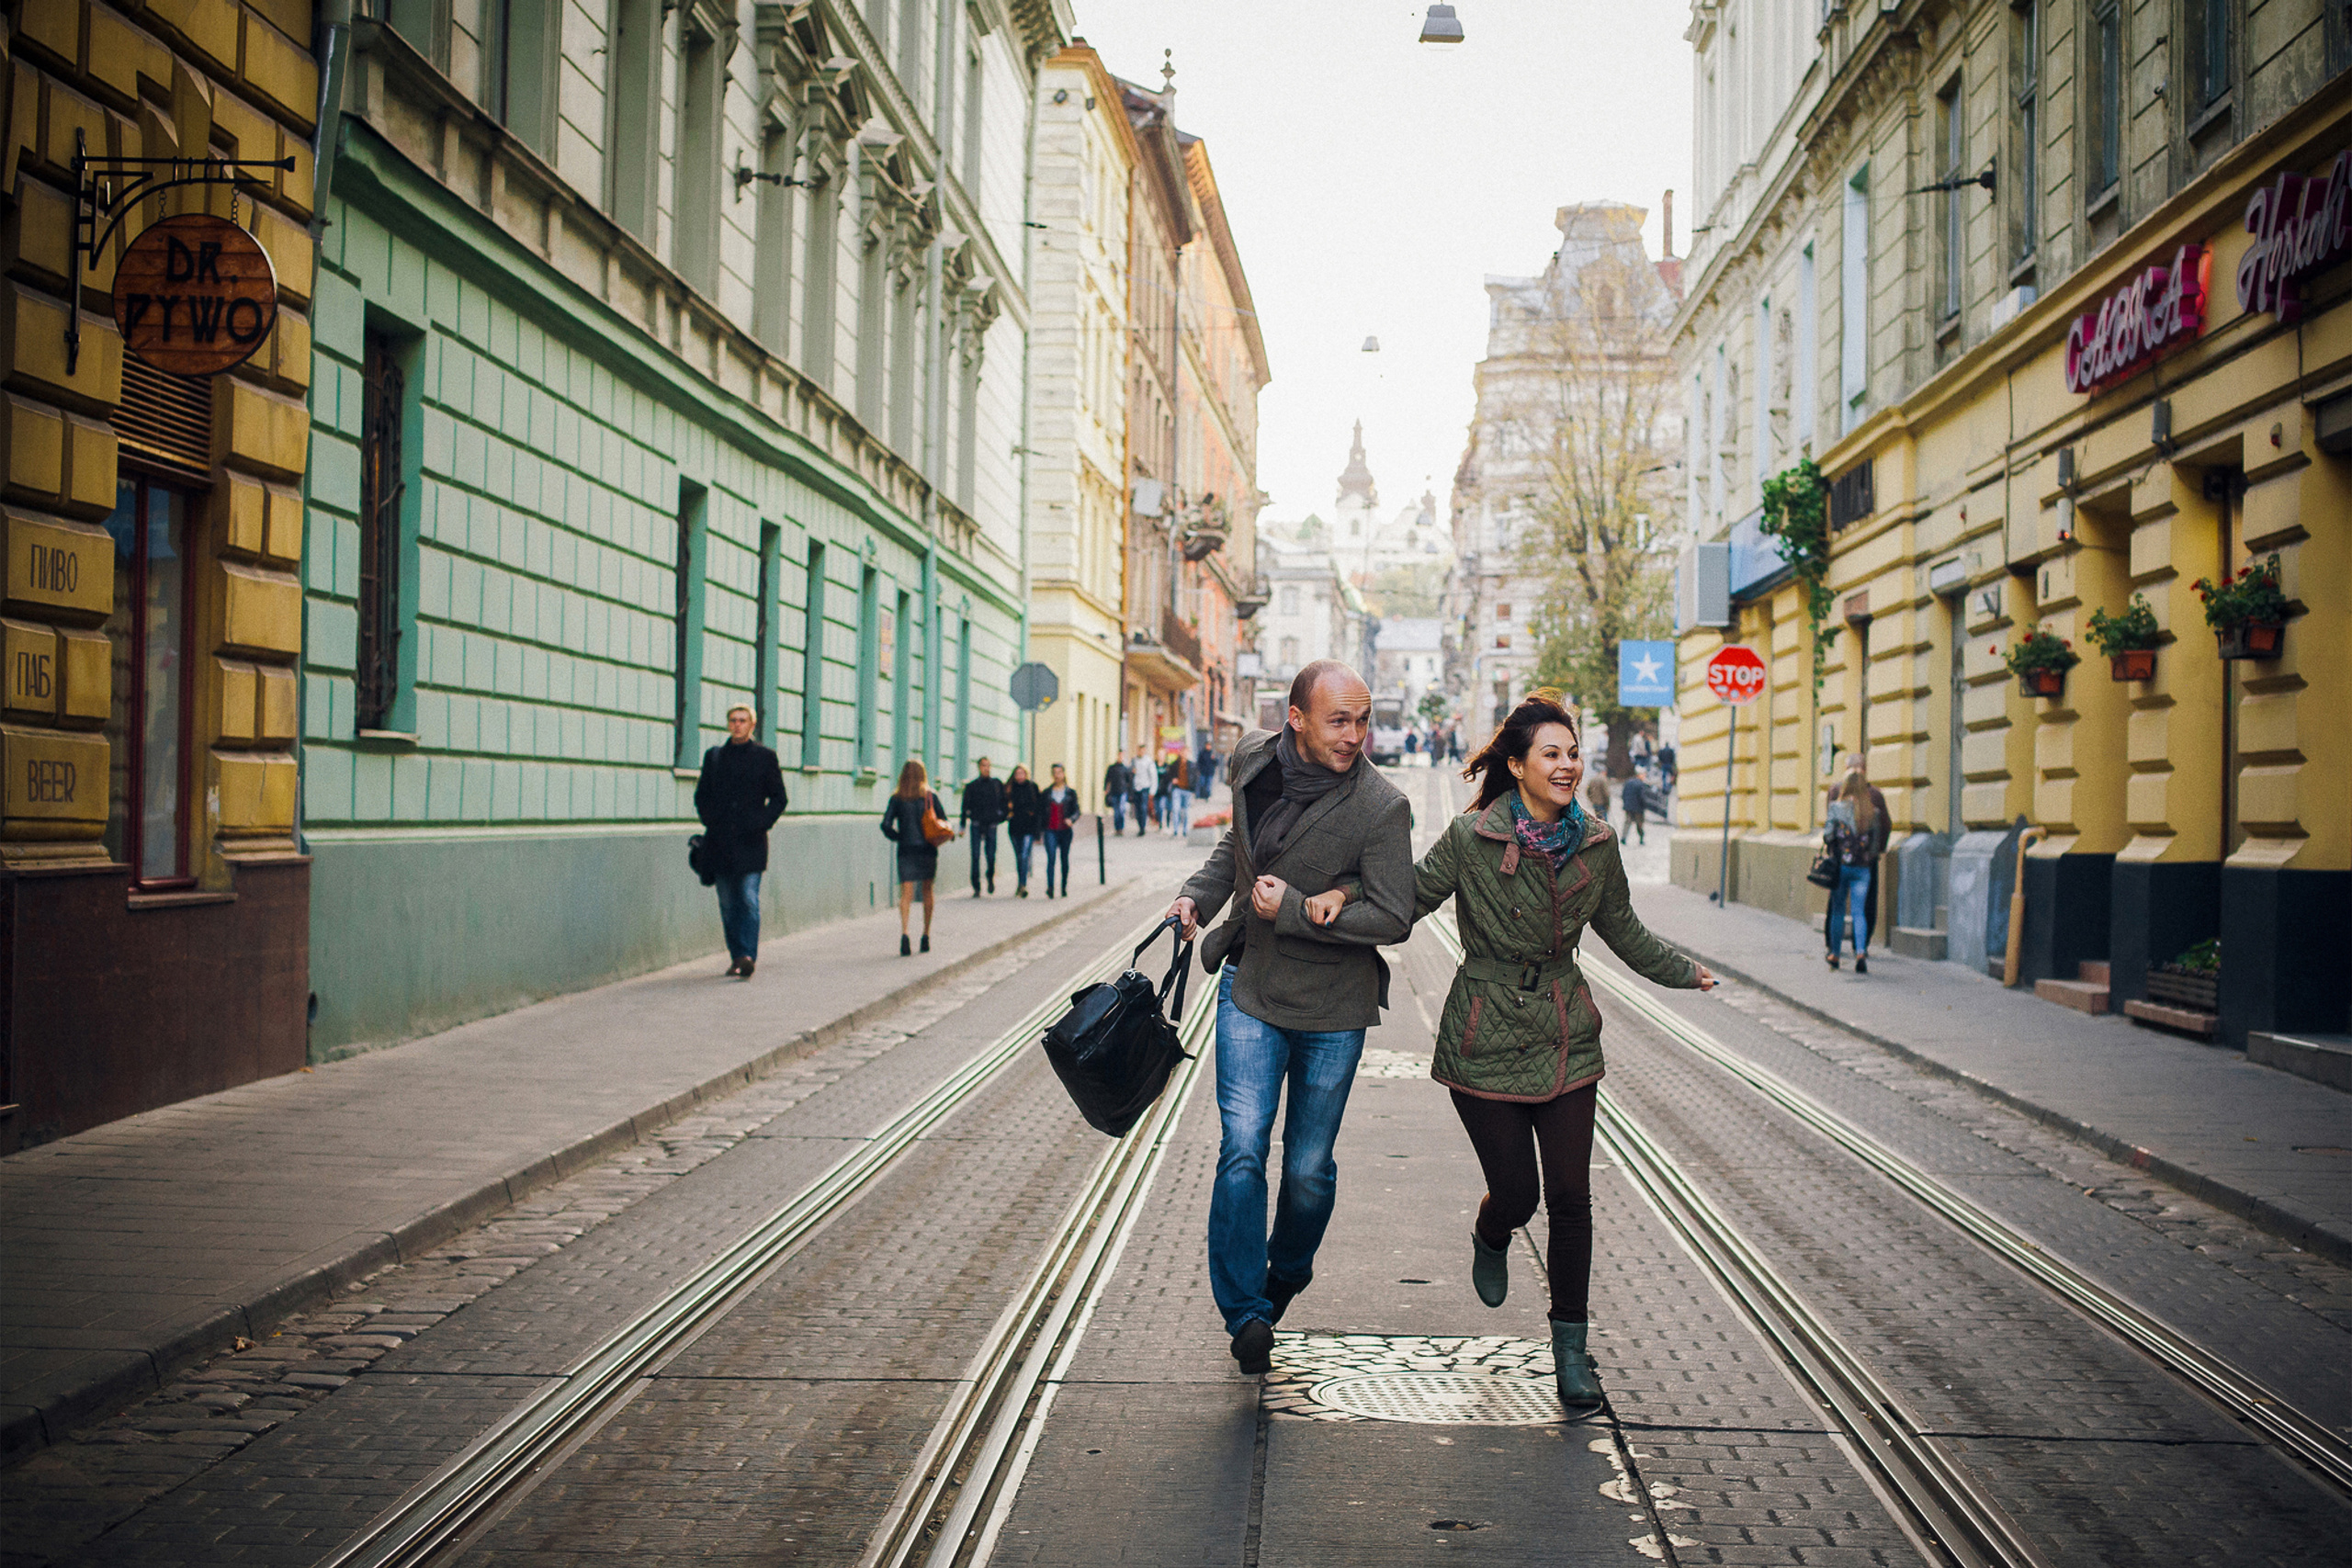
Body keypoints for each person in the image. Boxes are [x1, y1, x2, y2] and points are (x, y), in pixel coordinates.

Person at [1304, 693, 1714, 1413]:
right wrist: (1342, 891)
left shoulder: (1596, 842)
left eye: (1572, 753)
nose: (1567, 765)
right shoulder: (1472, 838)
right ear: (1518, 765)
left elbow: (1627, 932)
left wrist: (1686, 970)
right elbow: (1409, 899)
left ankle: (1570, 1353)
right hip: (1484, 1034)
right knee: (1519, 1194)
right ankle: (1491, 1229)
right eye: (1551, 754)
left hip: (1564, 1034)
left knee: (1571, 1198)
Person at [1168, 659, 1413, 1376]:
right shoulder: (1252, 760)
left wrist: (1302, 909)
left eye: (1363, 720)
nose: (1356, 735)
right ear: (1296, 720)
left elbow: (1394, 914)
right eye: (1340, 720)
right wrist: (1195, 898)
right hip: (1250, 983)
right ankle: (1245, 1310)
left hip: (1333, 1005)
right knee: (1242, 1145)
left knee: (1307, 1169)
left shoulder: (1380, 806)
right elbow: (1236, 850)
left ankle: (1286, 1274)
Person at [693, 704, 788, 979]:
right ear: (728, 724)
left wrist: (761, 821)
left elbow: (779, 798)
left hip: (751, 842)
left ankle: (748, 956)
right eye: (733, 720)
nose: (737, 725)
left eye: (743, 720)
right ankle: (736, 955)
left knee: (747, 898)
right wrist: (710, 819)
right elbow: (702, 795)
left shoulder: (765, 758)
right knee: (726, 902)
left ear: (752, 725)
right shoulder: (715, 757)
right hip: (720, 842)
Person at [880, 760, 951, 955]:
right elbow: (944, 821)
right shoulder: (930, 796)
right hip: (927, 849)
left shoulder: (897, 798)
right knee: (927, 891)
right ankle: (926, 935)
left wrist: (899, 837)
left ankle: (905, 933)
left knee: (906, 894)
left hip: (906, 850)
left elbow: (885, 825)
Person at [1823, 761, 1889, 955]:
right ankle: (1861, 950)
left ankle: (1834, 952)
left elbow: (1828, 835)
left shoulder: (1835, 804)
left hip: (1841, 864)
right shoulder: (1874, 806)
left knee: (1837, 909)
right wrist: (1872, 854)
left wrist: (1833, 847)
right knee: (1860, 911)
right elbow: (1882, 832)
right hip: (1863, 866)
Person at [960, 757, 1008, 897]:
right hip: (976, 824)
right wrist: (962, 826)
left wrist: (1001, 817)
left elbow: (1004, 802)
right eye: (983, 766)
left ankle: (990, 876)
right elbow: (965, 806)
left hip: (991, 824)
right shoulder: (972, 786)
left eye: (988, 765)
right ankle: (976, 886)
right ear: (979, 767)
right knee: (975, 855)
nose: (986, 768)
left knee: (991, 855)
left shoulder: (996, 784)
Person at [1041, 764, 1079, 897]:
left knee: (1064, 858)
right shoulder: (1047, 793)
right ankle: (1050, 887)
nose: (1057, 775)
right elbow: (1041, 811)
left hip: (1065, 830)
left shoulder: (1070, 793)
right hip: (1050, 829)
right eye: (1055, 773)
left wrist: (1071, 819)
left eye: (1059, 772)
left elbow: (1076, 811)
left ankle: (1063, 886)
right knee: (1051, 858)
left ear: (1063, 774)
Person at [1005, 764, 1042, 897]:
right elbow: (1004, 805)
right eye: (1017, 774)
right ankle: (1020, 883)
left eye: (1022, 773)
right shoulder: (1010, 789)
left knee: (1024, 855)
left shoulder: (1032, 787)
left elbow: (1038, 809)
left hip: (1028, 827)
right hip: (1015, 827)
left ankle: (1023, 884)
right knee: (1019, 856)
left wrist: (1038, 831)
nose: (1020, 776)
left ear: (1026, 774)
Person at [1103, 753, 1135, 835]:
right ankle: (1117, 828)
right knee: (1116, 811)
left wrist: (1130, 793)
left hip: (1123, 792)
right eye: (1119, 756)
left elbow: (1129, 781)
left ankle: (1121, 828)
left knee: (1121, 810)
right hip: (1114, 792)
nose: (1120, 758)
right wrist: (1106, 790)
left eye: (1122, 756)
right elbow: (1107, 779)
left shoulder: (1125, 769)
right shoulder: (1112, 768)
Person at [1619, 773, 1650, 846]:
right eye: (1643, 775)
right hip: (1638, 808)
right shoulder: (1641, 784)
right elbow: (1642, 797)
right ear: (1640, 775)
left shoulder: (1628, 782)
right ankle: (1641, 838)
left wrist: (1625, 803)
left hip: (1628, 807)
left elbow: (1623, 794)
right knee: (1639, 824)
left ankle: (1623, 838)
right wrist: (1644, 806)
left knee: (1627, 822)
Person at [1167, 753, 1192, 837]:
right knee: (1176, 809)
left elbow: (1195, 776)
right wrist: (1173, 779)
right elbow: (1169, 773)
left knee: (1185, 811)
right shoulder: (1175, 764)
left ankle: (1185, 830)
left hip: (1187, 790)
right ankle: (1176, 830)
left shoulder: (1191, 764)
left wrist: (1193, 787)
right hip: (1177, 789)